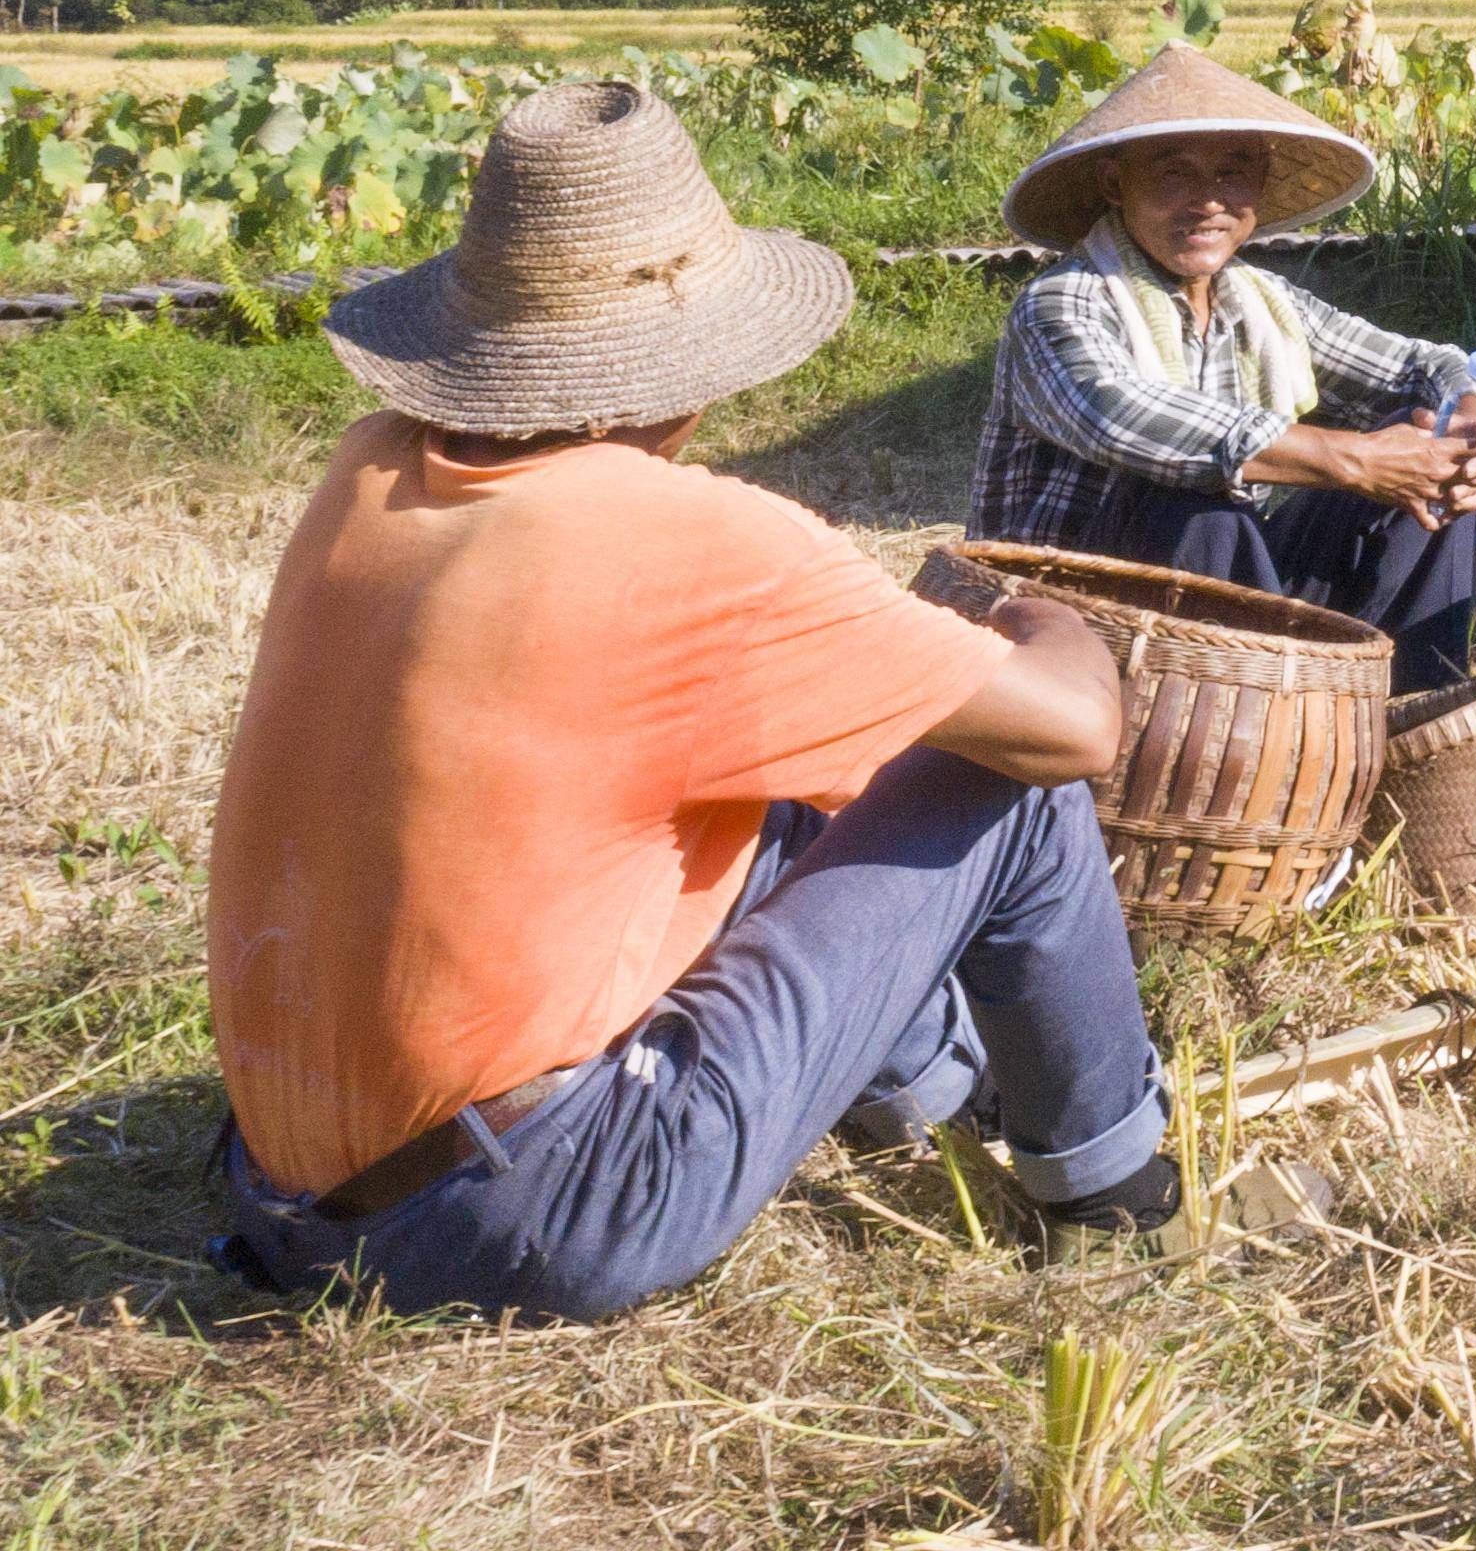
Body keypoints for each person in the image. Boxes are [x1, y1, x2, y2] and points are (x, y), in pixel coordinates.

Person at [213, 81, 1184, 1321]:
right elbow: (1075, 733)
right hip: (523, 1215)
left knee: (777, 795)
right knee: (1006, 785)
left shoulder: (370, 466)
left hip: (284, 1195)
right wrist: (1039, 617)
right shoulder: (684, 536)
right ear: (693, 363)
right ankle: (1117, 1195)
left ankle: (931, 1105)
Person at [971, 46, 1476, 693]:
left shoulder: (1259, 302)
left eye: (1232, 173)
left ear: (1259, 183)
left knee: (1425, 458)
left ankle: (1411, 712)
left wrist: (1467, 423)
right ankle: (1246, 732)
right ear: (1116, 185)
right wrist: (1354, 459)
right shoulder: (1062, 302)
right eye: (1175, 174)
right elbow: (1118, 412)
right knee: (1194, 490)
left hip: (1214, 600)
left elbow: (1425, 365)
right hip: (1070, 618)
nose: (1209, 202)